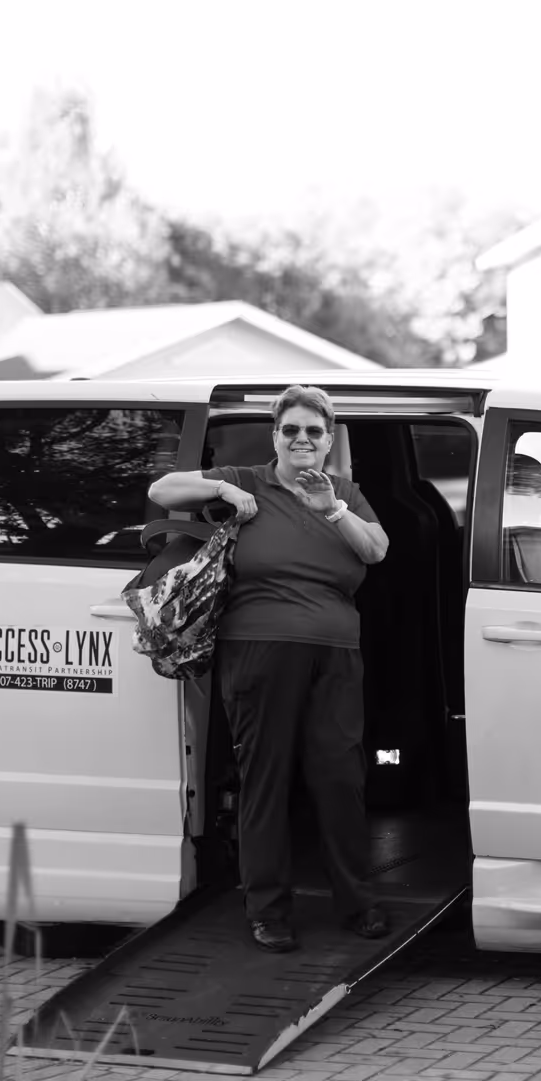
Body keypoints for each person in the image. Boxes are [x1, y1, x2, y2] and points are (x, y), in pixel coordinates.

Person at [147, 384, 391, 953]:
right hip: (258, 650)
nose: (302, 439)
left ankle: (357, 903)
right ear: (275, 437)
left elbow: (376, 550)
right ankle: (267, 910)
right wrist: (223, 489)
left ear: (328, 440)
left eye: (313, 431)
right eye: (291, 430)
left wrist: (332, 510)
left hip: (335, 651)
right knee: (265, 779)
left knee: (340, 777)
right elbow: (161, 490)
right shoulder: (248, 480)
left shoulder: (345, 493)